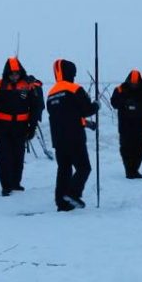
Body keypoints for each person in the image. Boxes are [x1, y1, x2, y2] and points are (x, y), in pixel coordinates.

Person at [46, 59, 99, 211]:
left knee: (64, 169)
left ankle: (62, 202)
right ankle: (73, 194)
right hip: (75, 137)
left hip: (58, 138)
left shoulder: (51, 94)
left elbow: (66, 116)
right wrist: (96, 105)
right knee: (84, 167)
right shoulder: (74, 89)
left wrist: (86, 124)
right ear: (71, 73)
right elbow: (86, 110)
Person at [0, 57, 43, 196]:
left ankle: (16, 183)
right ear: (7, 73)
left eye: (17, 73)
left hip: (21, 127)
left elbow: (35, 107)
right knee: (4, 156)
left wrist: (32, 127)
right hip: (2, 127)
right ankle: (6, 185)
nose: (14, 76)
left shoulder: (28, 86)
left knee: (18, 155)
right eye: (12, 73)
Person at [110, 70, 142, 178]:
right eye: (132, 83)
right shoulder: (120, 89)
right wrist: (125, 101)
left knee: (141, 148)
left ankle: (135, 169)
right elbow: (114, 103)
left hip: (141, 126)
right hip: (125, 125)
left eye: (136, 84)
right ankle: (129, 170)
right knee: (126, 148)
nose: (134, 86)